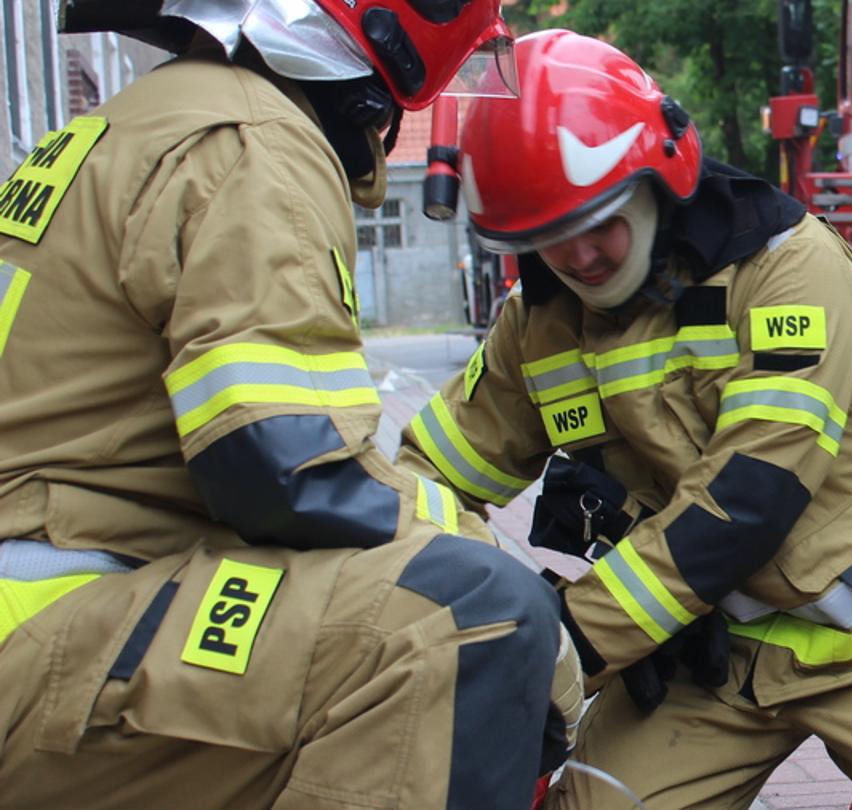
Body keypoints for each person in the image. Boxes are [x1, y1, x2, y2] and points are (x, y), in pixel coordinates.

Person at [395, 30, 852, 810]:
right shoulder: (536, 321)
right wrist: (472, 611)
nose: (577, 259)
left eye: (596, 220)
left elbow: (747, 501)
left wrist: (561, 641)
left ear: (656, 176)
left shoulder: (788, 271)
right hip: (709, 654)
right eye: (542, 239)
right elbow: (424, 475)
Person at [0, 1, 584, 807]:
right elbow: (287, 469)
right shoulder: (255, 138)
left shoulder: (139, 120)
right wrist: (507, 580)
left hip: (59, 605)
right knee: (474, 617)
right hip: (54, 631)